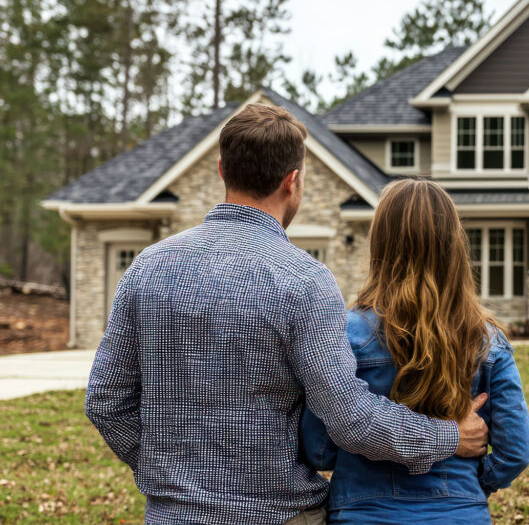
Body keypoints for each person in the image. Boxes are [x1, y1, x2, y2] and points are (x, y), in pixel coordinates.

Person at [84, 104, 489, 525]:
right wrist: (447, 436)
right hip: (279, 514)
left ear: (223, 169)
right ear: (291, 181)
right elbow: (350, 419)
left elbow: (105, 401)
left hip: (173, 516)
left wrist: (167, 475)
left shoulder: (148, 267)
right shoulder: (305, 281)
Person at [301, 178, 529, 524]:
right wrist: (470, 483)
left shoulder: (344, 335)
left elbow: (318, 447)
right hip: (460, 514)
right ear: (453, 245)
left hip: (364, 513)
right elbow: (516, 449)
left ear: (380, 244)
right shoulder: (487, 341)